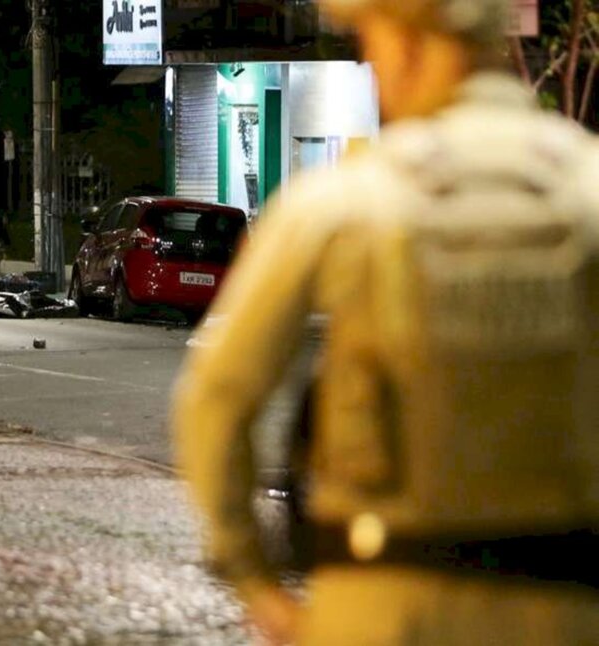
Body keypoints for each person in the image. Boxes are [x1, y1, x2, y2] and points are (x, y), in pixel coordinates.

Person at [172, 0, 599, 644]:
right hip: (564, 605)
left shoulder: (340, 203)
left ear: (405, 45)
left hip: (380, 603)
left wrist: (253, 578)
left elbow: (217, 400)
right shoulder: (587, 186)